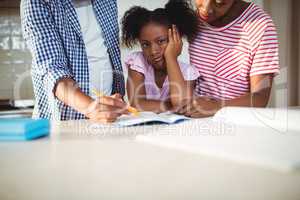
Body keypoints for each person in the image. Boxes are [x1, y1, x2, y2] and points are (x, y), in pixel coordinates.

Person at [21, 0, 128, 122]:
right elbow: (54, 71)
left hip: (109, 117)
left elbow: (111, 53)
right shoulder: (36, 2)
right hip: (65, 121)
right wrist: (91, 108)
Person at [176, 0, 280, 117]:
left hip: (238, 122)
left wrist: (217, 106)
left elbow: (260, 98)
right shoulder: (194, 20)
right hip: (197, 119)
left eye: (220, 3)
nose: (206, 9)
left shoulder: (260, 25)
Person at [121, 0, 200, 113]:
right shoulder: (138, 62)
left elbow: (182, 104)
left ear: (176, 39)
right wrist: (173, 106)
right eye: (145, 44)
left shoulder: (188, 72)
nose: (153, 51)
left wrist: (171, 58)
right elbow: (137, 104)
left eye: (161, 41)